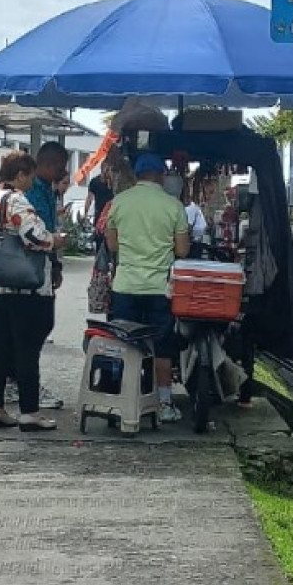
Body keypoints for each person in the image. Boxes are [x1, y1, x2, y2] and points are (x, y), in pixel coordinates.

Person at [0, 151, 63, 432]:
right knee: (27, 349)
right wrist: (56, 240)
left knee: (0, 345)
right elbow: (35, 235)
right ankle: (30, 411)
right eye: (29, 176)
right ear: (21, 175)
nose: (31, 181)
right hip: (23, 287)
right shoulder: (16, 200)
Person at [105, 153, 190, 423]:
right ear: (161, 175)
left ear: (137, 175)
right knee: (162, 347)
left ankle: (118, 402)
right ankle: (164, 403)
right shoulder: (173, 206)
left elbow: (112, 245)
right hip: (158, 288)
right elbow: (182, 250)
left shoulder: (119, 202)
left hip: (125, 286)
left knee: (122, 344)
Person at [18, 141, 69, 410]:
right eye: (60, 167)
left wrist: (57, 265)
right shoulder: (32, 193)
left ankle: (19, 379)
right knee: (35, 326)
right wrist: (53, 245)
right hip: (31, 267)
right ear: (48, 164)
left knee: (41, 324)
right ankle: (24, 382)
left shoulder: (48, 191)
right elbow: (37, 233)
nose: (63, 172)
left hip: (45, 264)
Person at [84, 160, 114, 225]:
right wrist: (85, 214)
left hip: (112, 213)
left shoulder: (113, 182)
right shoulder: (95, 182)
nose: (108, 171)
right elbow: (89, 198)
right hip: (99, 214)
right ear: (102, 168)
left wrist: (110, 181)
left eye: (109, 169)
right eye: (107, 169)